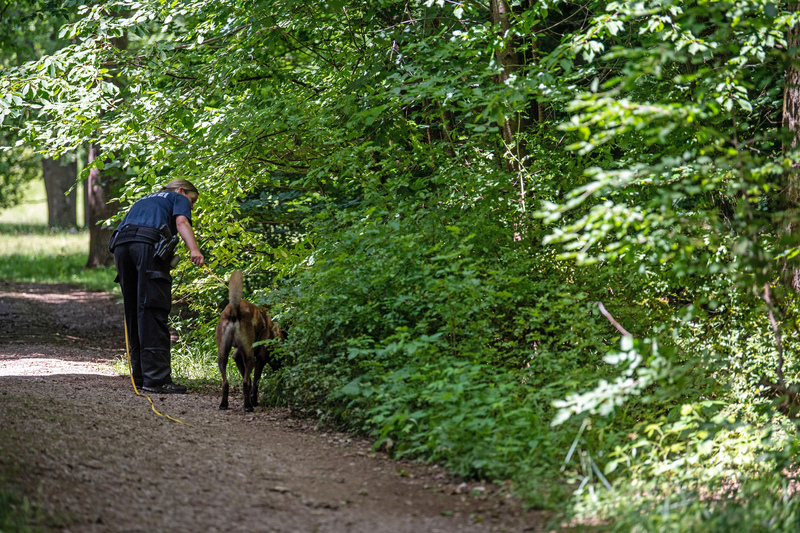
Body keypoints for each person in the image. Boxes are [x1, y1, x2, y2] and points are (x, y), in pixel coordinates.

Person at [110, 179, 204, 394]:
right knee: (152, 308)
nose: (191, 206)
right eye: (192, 201)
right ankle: (157, 380)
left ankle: (140, 376)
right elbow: (181, 223)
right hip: (146, 245)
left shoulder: (144, 199)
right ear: (181, 191)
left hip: (121, 247)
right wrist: (194, 250)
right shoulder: (177, 197)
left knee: (134, 310)